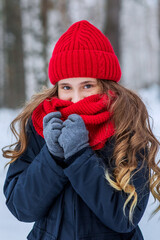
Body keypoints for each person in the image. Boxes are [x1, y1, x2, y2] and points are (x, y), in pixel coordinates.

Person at [2, 20, 160, 240]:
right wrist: (52, 157)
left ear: (106, 84)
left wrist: (78, 156)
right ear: (57, 88)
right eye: (66, 87)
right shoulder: (41, 124)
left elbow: (125, 218)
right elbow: (21, 207)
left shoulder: (126, 126)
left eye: (87, 86)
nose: (76, 100)